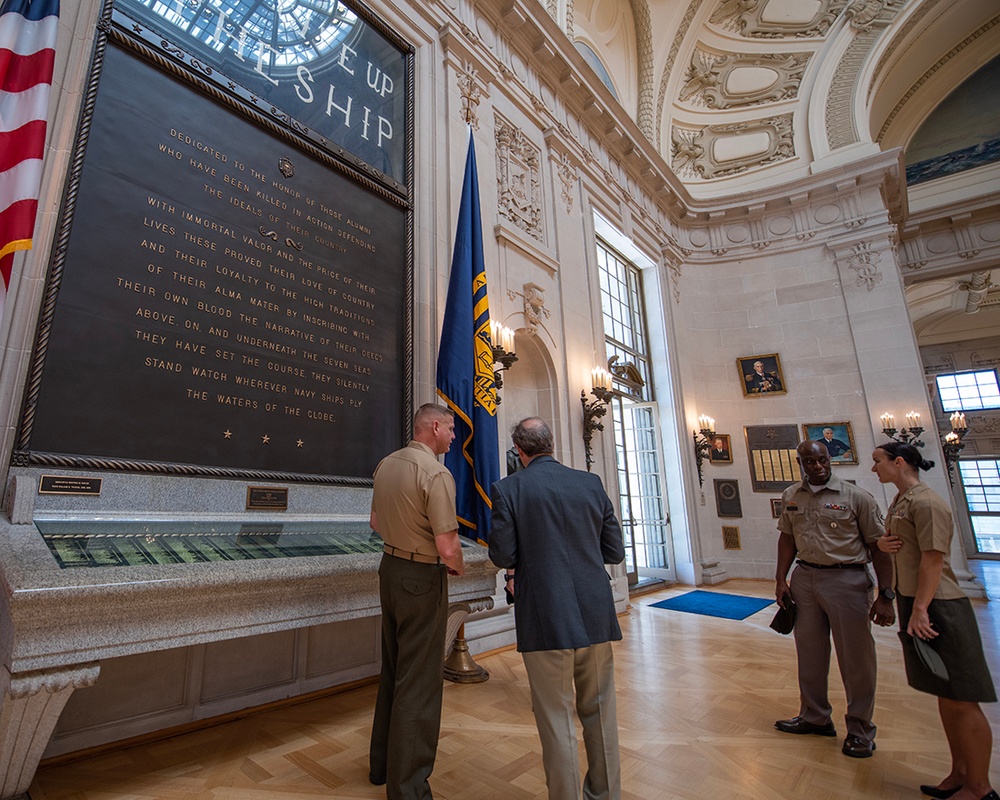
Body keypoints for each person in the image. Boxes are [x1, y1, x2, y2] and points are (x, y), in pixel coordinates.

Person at [489, 417, 626, 800]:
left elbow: (502, 554)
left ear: (520, 450)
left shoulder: (508, 489)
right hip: (596, 615)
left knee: (556, 718)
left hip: (545, 617)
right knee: (600, 714)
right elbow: (614, 551)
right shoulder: (590, 483)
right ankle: (605, 794)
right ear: (552, 443)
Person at [872, 441, 997, 800]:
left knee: (962, 697)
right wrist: (882, 547)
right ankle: (959, 773)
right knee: (946, 693)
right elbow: (898, 543)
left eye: (878, 461)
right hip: (917, 600)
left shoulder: (926, 502)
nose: (874, 468)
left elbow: (934, 560)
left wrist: (922, 609)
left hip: (940, 606)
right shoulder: (901, 500)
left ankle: (979, 787)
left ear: (899, 462)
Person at [774, 440, 895, 758]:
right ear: (800, 463)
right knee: (810, 653)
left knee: (856, 658)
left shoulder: (856, 497)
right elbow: (787, 537)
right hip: (805, 579)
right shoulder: (791, 496)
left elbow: (878, 548)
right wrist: (780, 579)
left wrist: (885, 595)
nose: (817, 466)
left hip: (847, 579)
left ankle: (860, 730)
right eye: (810, 461)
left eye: (822, 460)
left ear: (830, 460)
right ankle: (815, 717)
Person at [368, 403, 465, 800]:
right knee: (420, 682)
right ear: (435, 427)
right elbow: (447, 544)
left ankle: (381, 767)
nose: (455, 437)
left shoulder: (386, 464)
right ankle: (408, 788)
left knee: (393, 669)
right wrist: (456, 566)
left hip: (389, 570)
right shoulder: (436, 473)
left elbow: (374, 523)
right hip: (422, 579)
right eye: (452, 429)